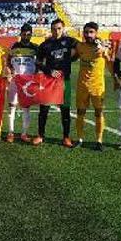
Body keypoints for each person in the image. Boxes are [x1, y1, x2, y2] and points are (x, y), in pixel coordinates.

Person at [34, 19, 78, 147]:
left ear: (63, 29)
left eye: (59, 28)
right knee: (44, 109)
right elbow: (38, 62)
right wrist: (49, 71)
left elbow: (82, 48)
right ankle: (40, 135)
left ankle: (66, 137)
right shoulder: (45, 45)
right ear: (51, 29)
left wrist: (74, 58)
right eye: (54, 29)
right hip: (49, 80)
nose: (56, 31)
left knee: (65, 109)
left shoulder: (70, 41)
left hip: (65, 80)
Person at [74, 22, 111, 151]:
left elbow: (110, 62)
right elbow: (72, 57)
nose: (88, 35)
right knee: (80, 113)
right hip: (82, 86)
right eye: (86, 32)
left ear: (96, 33)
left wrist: (105, 49)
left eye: (91, 32)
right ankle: (79, 139)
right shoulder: (80, 46)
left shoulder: (103, 47)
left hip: (97, 86)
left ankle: (99, 141)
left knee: (98, 113)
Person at [6, 23, 40, 143]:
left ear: (31, 35)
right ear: (20, 34)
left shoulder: (35, 48)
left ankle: (24, 134)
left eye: (28, 34)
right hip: (15, 81)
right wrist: (10, 73)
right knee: (12, 106)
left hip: (27, 83)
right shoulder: (13, 47)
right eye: (24, 34)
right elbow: (8, 63)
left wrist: (35, 77)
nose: (26, 36)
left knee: (26, 107)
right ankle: (11, 132)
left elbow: (39, 65)